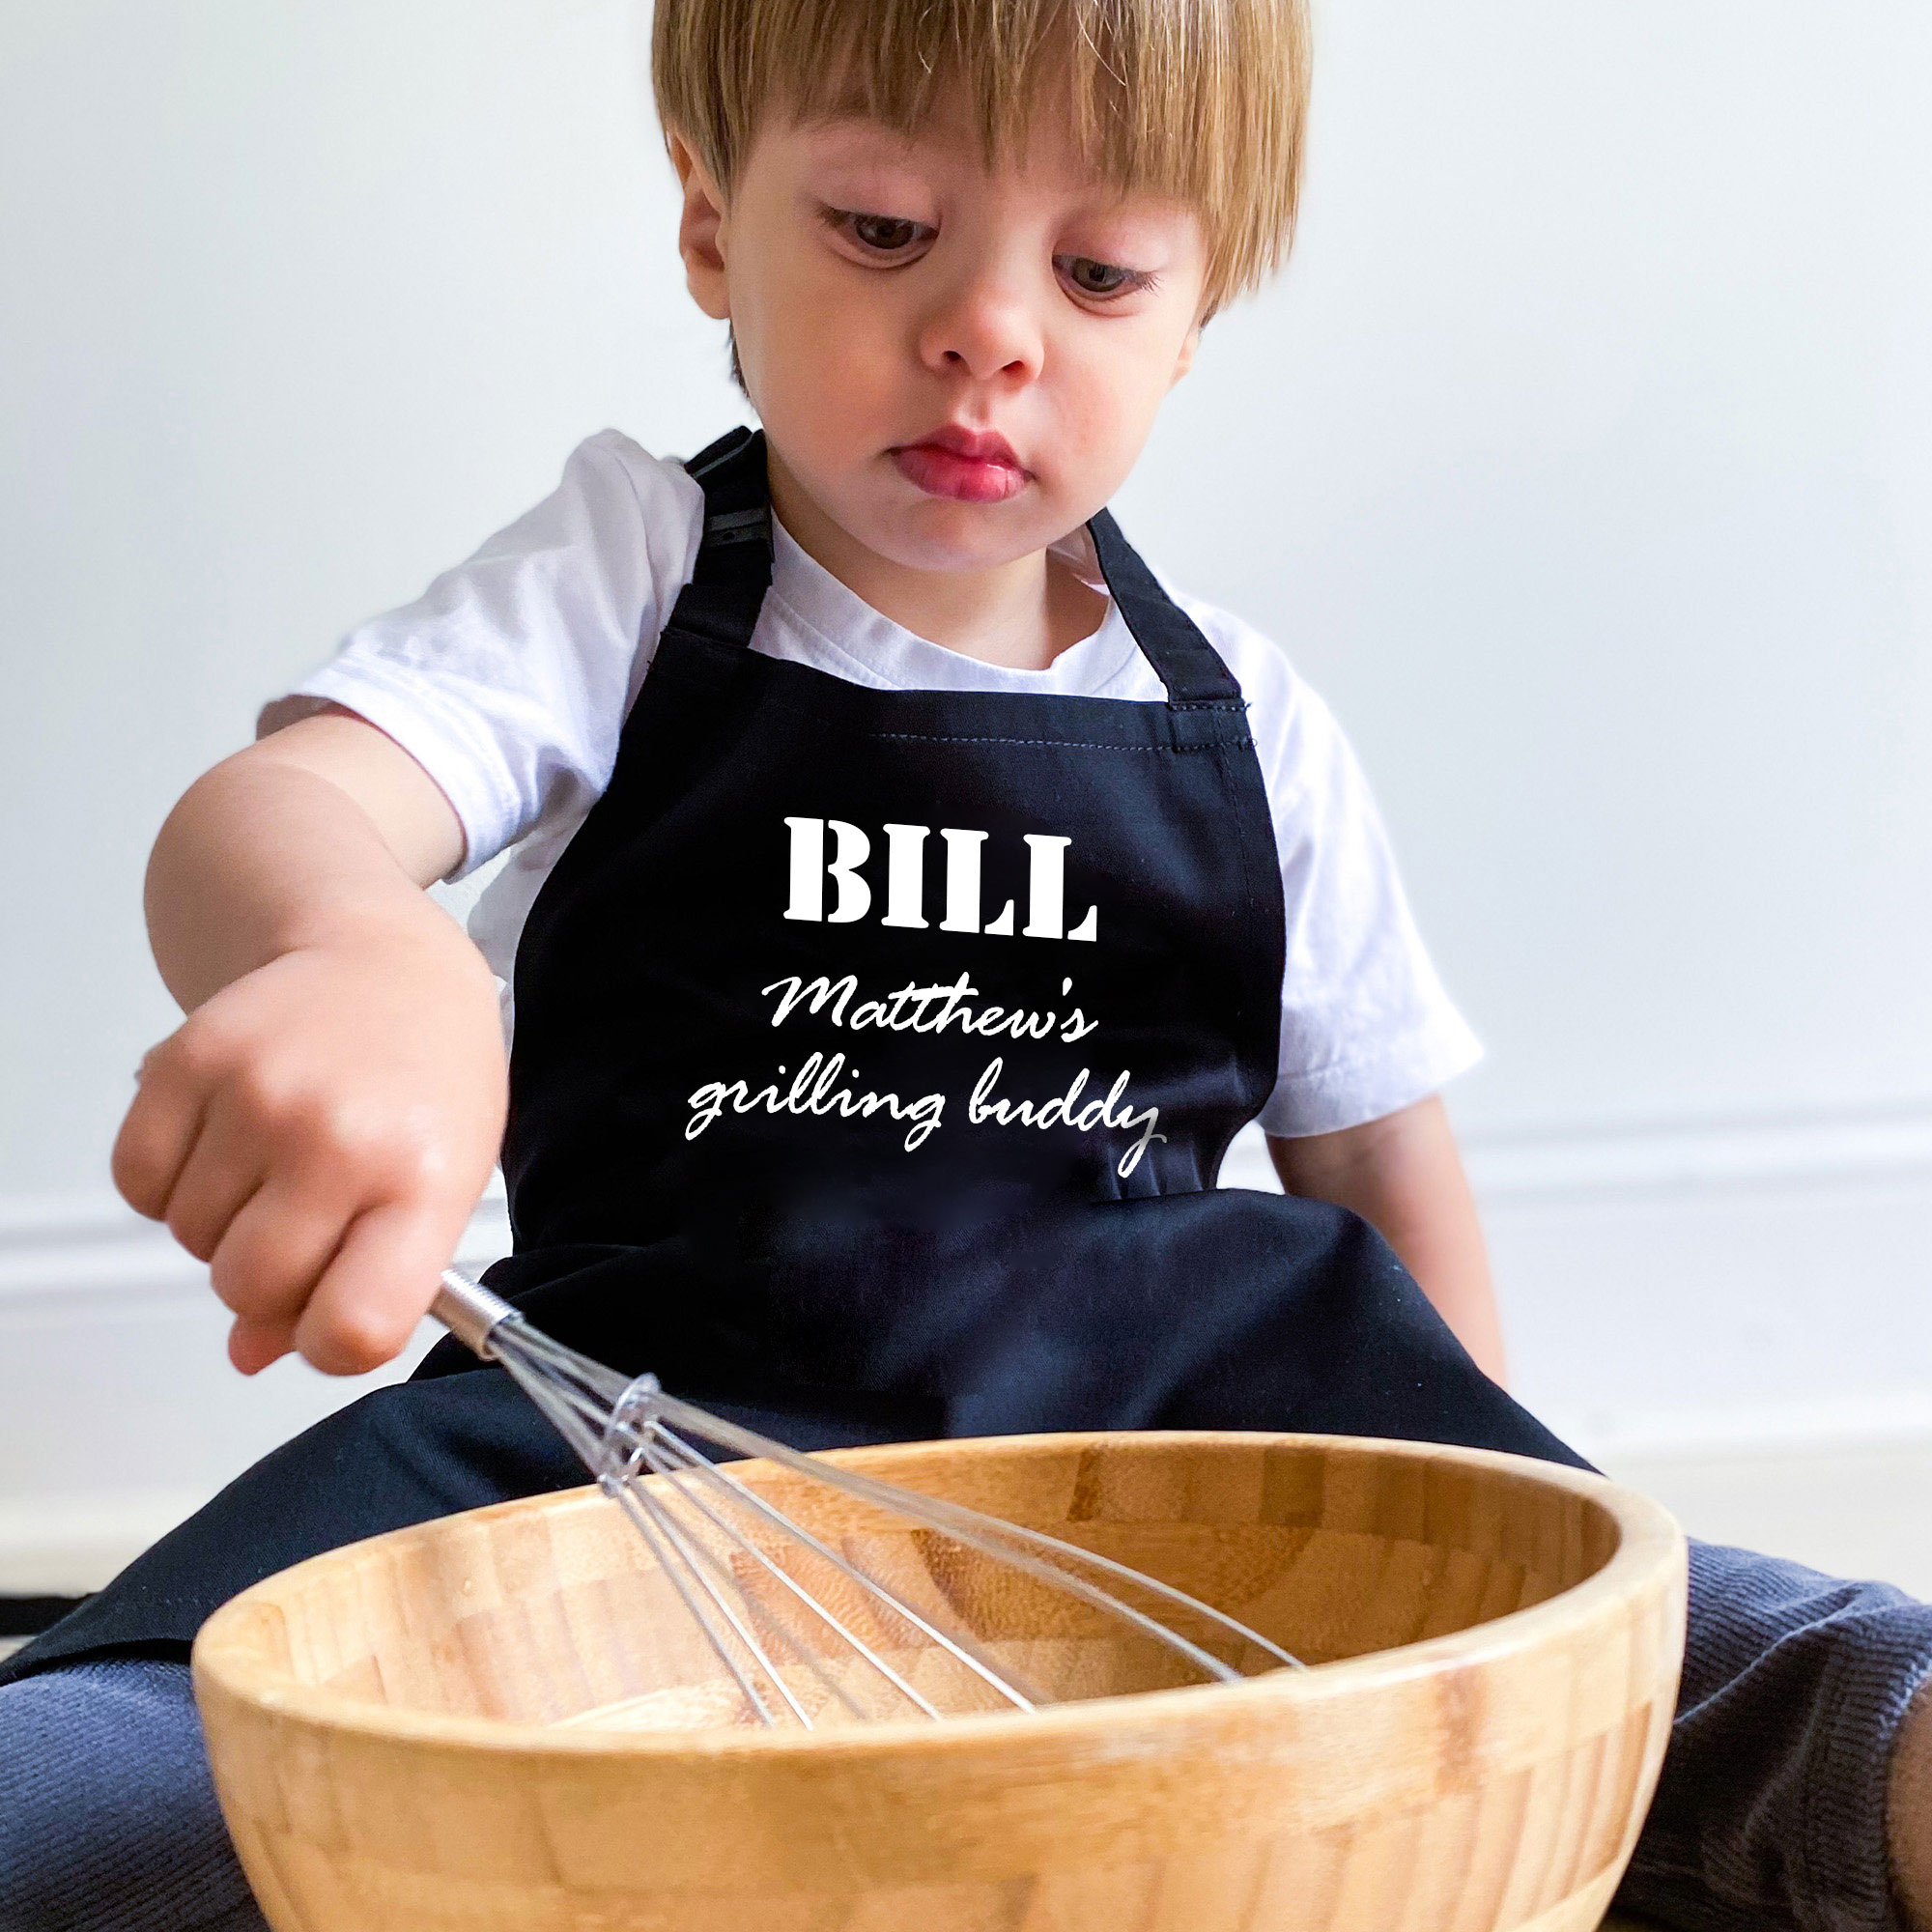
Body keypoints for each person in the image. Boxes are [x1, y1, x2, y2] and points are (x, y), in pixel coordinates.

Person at [3, 2, 1930, 1928]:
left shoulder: (1251, 724)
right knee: (103, 1787)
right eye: (877, 228)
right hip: (638, 1463)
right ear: (709, 225)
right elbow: (285, 810)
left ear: (1193, 317)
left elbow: (1382, 1172)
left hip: (1174, 1480)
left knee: (1788, 1667)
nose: (990, 331)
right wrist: (359, 949)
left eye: (1098, 272)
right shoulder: (629, 574)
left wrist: (1482, 1602)